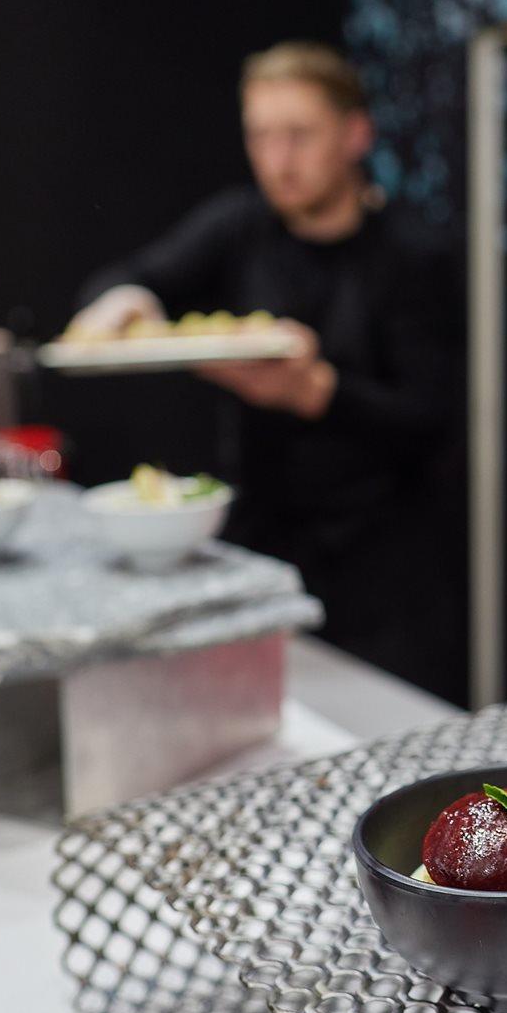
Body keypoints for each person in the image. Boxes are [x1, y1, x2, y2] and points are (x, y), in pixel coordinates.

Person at [69, 43, 465, 700]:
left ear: (355, 134)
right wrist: (123, 306)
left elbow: (431, 417)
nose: (278, 160)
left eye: (300, 136)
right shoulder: (240, 226)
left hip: (383, 562)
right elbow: (132, 280)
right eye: (261, 137)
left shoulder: (412, 254)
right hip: (264, 542)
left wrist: (314, 391)